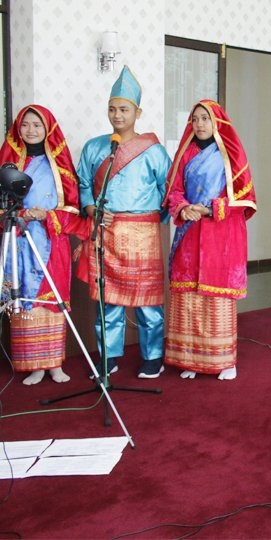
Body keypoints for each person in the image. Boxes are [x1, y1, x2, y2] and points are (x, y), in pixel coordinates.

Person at [76, 65, 172, 379]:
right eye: (112, 109)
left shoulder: (154, 151)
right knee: (108, 302)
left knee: (148, 301)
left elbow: (168, 190)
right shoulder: (94, 147)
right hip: (106, 232)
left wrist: (152, 217)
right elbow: (83, 184)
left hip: (143, 234)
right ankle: (109, 357)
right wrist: (92, 209)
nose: (117, 115)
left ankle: (153, 357)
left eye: (124, 109)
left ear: (137, 112)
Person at [163, 100, 257, 380]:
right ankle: (191, 360)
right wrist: (183, 208)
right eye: (195, 119)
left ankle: (225, 362)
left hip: (221, 235)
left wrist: (210, 208)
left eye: (205, 118)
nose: (200, 124)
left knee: (216, 298)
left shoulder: (231, 154)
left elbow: (244, 199)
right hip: (189, 233)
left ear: (217, 122)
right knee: (189, 298)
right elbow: (173, 191)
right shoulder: (185, 154)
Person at [0, 105, 86, 385]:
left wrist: (47, 216)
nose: (31, 130)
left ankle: (55, 364)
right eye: (25, 124)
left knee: (51, 300)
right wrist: (23, 214)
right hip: (19, 241)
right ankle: (34, 366)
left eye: (37, 125)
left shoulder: (59, 165)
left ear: (48, 129)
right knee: (25, 298)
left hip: (51, 241)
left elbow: (73, 208)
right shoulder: (8, 163)